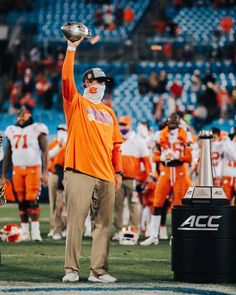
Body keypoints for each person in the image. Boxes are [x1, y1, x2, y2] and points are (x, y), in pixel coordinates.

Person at [61, 36, 123, 283]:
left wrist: (118, 172)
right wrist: (71, 48)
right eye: (97, 81)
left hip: (106, 175)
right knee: (76, 223)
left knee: (103, 225)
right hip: (79, 171)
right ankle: (72, 269)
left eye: (103, 81)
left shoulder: (109, 112)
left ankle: (98, 270)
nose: (101, 85)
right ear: (87, 82)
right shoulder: (75, 102)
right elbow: (66, 78)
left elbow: (116, 145)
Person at [140, 113, 192, 246]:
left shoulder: (186, 135)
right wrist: (163, 158)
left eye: (176, 121)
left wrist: (178, 158)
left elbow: (189, 158)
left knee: (178, 204)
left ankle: (177, 236)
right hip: (166, 170)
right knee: (158, 201)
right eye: (171, 121)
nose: (173, 124)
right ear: (168, 122)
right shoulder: (160, 135)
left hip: (180, 171)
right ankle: (153, 235)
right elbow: (155, 156)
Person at [1, 106, 48, 241]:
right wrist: (3, 174)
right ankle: (25, 232)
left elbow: (45, 151)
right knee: (21, 201)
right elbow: (8, 153)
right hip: (17, 169)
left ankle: (36, 232)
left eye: (24, 115)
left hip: (33, 168)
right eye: (19, 115)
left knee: (32, 200)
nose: (21, 117)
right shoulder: (11, 130)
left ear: (30, 116)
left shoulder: (36, 128)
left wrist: (45, 171)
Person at [112, 116, 151, 240]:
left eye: (125, 125)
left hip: (133, 179)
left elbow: (146, 159)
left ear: (130, 125)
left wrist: (149, 175)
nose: (122, 127)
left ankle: (134, 229)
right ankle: (118, 230)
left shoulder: (139, 141)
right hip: (117, 178)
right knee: (117, 205)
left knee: (133, 205)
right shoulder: (115, 139)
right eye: (121, 124)